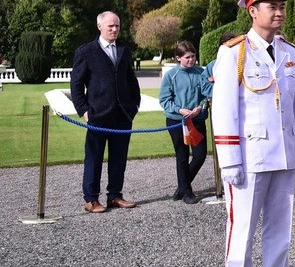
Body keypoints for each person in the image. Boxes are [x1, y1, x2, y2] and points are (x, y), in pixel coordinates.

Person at [212, 0, 295, 267]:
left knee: (279, 221)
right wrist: (229, 159)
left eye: (281, 4)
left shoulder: (289, 53)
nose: (279, 11)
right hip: (251, 154)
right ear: (252, 10)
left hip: (284, 151)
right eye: (271, 5)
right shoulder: (234, 52)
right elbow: (224, 109)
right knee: (242, 224)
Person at [70, 11, 141, 213]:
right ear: (100, 26)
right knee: (94, 158)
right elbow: (76, 85)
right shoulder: (86, 52)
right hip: (97, 115)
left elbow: (131, 81)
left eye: (117, 26)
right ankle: (91, 199)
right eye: (110, 26)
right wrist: (83, 110)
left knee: (119, 158)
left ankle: (115, 196)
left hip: (123, 116)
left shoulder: (124, 50)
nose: (114, 29)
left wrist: (135, 104)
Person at [158, 41, 209, 204]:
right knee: (182, 156)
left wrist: (200, 107)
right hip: (176, 120)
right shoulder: (170, 75)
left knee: (200, 156)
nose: (191, 60)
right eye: (187, 57)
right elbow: (164, 99)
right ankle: (187, 192)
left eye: (193, 56)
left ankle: (182, 186)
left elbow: (206, 94)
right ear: (178, 58)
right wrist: (179, 110)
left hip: (197, 119)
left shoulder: (201, 73)